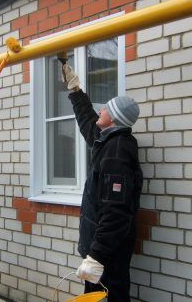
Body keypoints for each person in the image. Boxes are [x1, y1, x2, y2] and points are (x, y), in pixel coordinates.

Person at [61, 64, 143, 302]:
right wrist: (75, 90)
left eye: (106, 108)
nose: (101, 110)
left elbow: (116, 212)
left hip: (108, 254)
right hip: (102, 248)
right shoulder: (109, 141)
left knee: (111, 297)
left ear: (114, 118)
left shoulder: (116, 153)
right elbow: (88, 122)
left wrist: (96, 256)